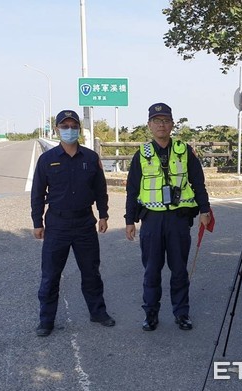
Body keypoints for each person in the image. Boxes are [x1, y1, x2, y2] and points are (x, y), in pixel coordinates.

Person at [125, 102, 212, 331]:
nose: (161, 125)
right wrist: (129, 221)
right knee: (151, 270)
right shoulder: (141, 155)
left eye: (165, 121)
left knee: (179, 269)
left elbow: (198, 183)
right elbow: (132, 189)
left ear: (172, 124)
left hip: (178, 219)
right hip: (152, 220)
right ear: (149, 125)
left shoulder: (185, 152)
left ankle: (181, 313)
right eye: (157, 121)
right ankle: (151, 314)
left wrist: (205, 210)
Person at [31, 109, 115, 337]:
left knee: (91, 272)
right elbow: (37, 193)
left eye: (73, 126)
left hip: (85, 223)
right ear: (57, 129)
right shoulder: (47, 160)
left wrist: (104, 214)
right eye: (64, 126)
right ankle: (46, 320)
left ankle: (98, 312)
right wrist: (37, 222)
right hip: (57, 224)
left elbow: (100, 190)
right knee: (50, 275)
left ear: (79, 129)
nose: (69, 130)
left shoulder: (90, 158)